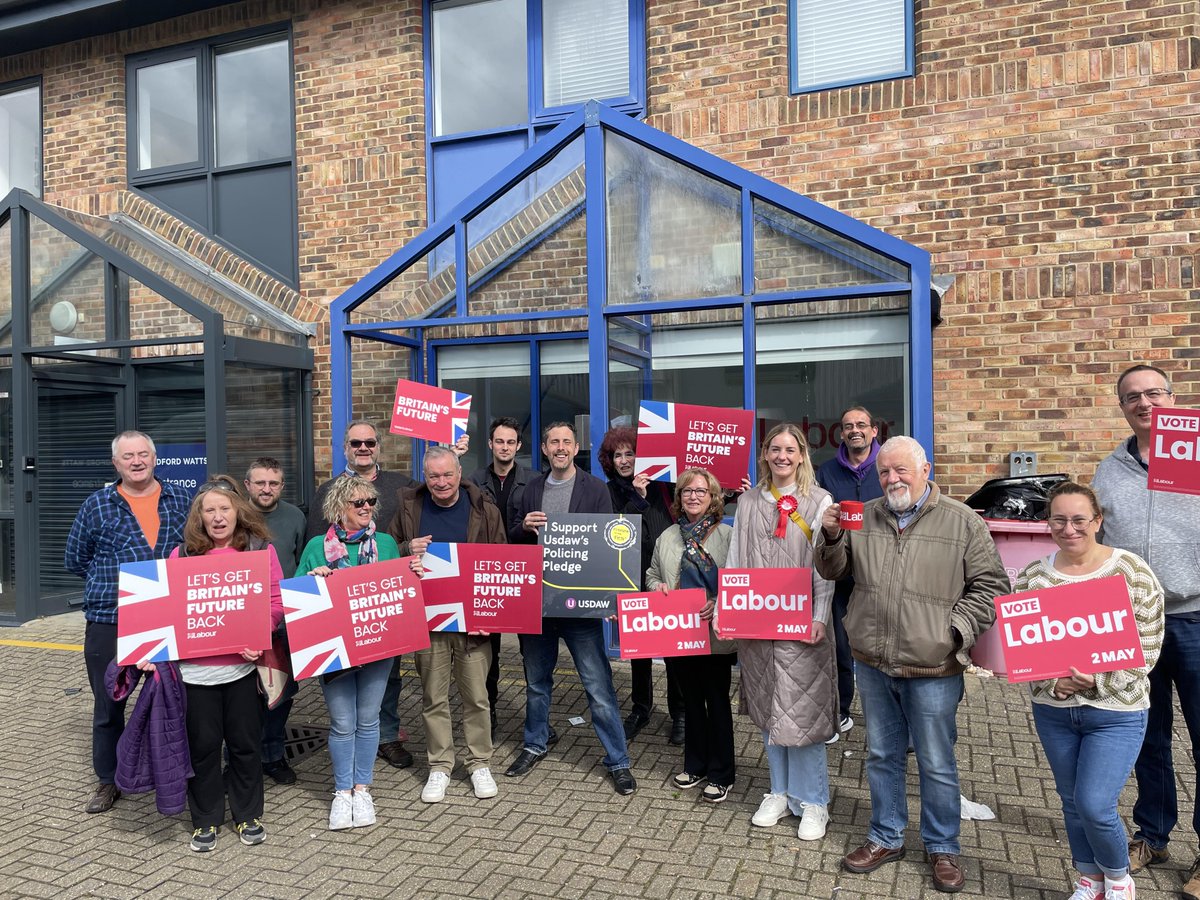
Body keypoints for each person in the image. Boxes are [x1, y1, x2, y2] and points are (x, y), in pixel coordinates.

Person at [815, 435, 1008, 893]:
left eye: (901, 469)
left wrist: (953, 632)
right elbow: (834, 571)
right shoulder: (865, 515)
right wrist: (831, 535)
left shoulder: (962, 521)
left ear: (925, 469)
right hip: (874, 661)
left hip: (933, 666)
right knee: (882, 756)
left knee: (936, 761)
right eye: (884, 472)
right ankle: (886, 837)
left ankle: (943, 847)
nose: (892, 479)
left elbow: (992, 587)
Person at [1015, 481, 1164, 900]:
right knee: (1070, 801)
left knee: (1095, 805)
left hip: (1117, 712)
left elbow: (1148, 648)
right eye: (1059, 519)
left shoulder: (1131, 571)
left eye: (1079, 519)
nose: (1069, 528)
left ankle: (1119, 880)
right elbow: (1024, 650)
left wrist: (1097, 681)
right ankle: (1089, 881)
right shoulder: (1033, 577)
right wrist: (1050, 680)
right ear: (1048, 523)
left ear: (1097, 520)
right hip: (1055, 711)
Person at [1092, 364, 1200, 898]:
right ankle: (1153, 834)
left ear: (1172, 397)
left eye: (1154, 392)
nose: (1145, 402)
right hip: (1135, 622)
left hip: (1197, 616)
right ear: (1122, 407)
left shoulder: (1197, 454)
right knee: (1145, 737)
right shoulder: (1109, 472)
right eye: (1133, 396)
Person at [504, 421, 636, 795]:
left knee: (598, 687)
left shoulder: (594, 488)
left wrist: (609, 598)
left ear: (575, 446)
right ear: (544, 449)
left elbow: (609, 547)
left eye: (566, 441)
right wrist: (523, 527)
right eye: (553, 442)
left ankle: (619, 761)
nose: (560, 447)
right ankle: (535, 742)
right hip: (540, 604)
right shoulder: (530, 488)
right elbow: (513, 535)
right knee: (536, 683)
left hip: (579, 608)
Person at [64, 430, 192, 814]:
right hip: (110, 618)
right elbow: (76, 558)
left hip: (168, 617)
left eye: (143, 455)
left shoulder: (182, 500)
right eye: (128, 456)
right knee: (108, 705)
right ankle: (108, 780)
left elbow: (195, 550)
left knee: (176, 698)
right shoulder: (97, 505)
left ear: (155, 459)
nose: (136, 462)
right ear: (116, 463)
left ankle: (176, 773)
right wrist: (111, 584)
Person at [727, 423, 837, 839]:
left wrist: (820, 617)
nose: (782, 456)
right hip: (758, 621)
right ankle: (780, 791)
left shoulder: (819, 501)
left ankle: (814, 802)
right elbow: (737, 558)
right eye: (775, 449)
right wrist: (731, 610)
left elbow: (824, 569)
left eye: (790, 449)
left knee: (803, 714)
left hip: (801, 623)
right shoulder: (750, 501)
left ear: (802, 454)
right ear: (765, 455)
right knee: (770, 709)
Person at [167, 479, 285, 852]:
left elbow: (276, 601)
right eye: (209, 510)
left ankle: (248, 814)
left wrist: (259, 632)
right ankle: (205, 820)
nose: (218, 518)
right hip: (196, 674)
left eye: (225, 509)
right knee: (202, 749)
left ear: (238, 512)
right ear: (199, 517)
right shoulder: (182, 556)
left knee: (245, 745)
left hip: (241, 672)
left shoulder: (260, 551)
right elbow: (167, 612)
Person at [391, 446, 505, 803]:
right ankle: (440, 766)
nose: (441, 482)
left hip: (472, 624)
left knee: (477, 698)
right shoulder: (410, 507)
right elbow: (386, 550)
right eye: (433, 475)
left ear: (460, 473)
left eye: (447, 474)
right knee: (433, 698)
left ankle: (479, 763)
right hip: (427, 621)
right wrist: (406, 548)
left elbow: (500, 563)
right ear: (425, 476)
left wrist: (491, 617)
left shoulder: (484, 509)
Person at [308, 421, 417, 770]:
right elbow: (314, 548)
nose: (364, 447)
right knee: (344, 694)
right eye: (356, 442)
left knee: (389, 676)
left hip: (382, 608)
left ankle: (386, 736)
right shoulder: (327, 490)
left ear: (379, 447)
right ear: (345, 448)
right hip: (340, 615)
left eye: (370, 442)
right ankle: (348, 744)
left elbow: (432, 502)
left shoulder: (401, 486)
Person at [297, 475, 402, 830]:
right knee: (343, 723)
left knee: (369, 720)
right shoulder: (316, 546)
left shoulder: (386, 544)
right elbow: (296, 596)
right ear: (338, 507)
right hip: (335, 649)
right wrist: (314, 578)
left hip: (378, 646)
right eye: (358, 503)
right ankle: (342, 793)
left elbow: (399, 594)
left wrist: (413, 572)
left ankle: (362, 787)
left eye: (370, 501)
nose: (366, 508)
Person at [645, 468, 735, 803]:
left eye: (701, 491)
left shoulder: (727, 536)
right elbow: (652, 574)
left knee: (718, 701)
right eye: (687, 491)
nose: (693, 496)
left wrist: (719, 600)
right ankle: (695, 765)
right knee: (692, 701)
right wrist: (659, 587)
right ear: (679, 498)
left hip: (714, 633)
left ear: (713, 498)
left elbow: (739, 579)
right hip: (679, 633)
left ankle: (722, 773)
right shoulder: (667, 537)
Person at [598, 425, 685, 745]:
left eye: (629, 453)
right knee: (640, 650)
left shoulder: (666, 484)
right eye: (617, 455)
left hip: (667, 575)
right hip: (630, 577)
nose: (623, 460)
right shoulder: (607, 491)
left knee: (674, 648)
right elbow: (615, 532)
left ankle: (680, 713)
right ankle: (641, 708)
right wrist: (637, 497)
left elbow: (696, 502)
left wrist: (731, 492)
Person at [815, 405, 884, 743]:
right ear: (841, 434)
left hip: (882, 572)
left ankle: (888, 715)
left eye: (861, 425)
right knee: (841, 646)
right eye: (847, 426)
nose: (854, 430)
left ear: (874, 431)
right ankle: (842, 710)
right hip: (842, 572)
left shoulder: (888, 469)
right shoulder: (827, 472)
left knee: (884, 644)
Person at [468, 416, 533, 736]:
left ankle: (536, 718)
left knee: (530, 650)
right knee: (487, 649)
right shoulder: (472, 480)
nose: (505, 447)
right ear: (490, 444)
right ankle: (488, 711)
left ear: (518, 446)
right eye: (499, 441)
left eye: (511, 442)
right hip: (486, 575)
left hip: (523, 575)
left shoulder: (534, 480)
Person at [245, 456, 307, 786]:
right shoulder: (234, 515)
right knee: (245, 696)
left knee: (281, 691)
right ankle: (243, 758)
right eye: (260, 483)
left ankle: (274, 754)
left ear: (282, 486)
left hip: (284, 621)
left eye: (273, 483)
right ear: (247, 486)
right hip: (243, 623)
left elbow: (301, 563)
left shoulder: (295, 517)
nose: (267, 489)